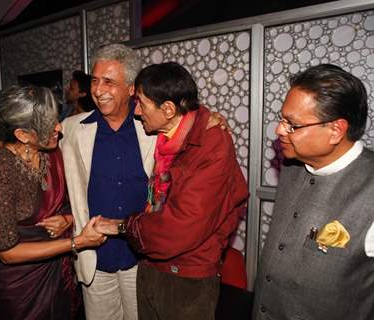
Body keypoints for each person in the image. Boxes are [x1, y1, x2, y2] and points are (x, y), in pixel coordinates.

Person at [94, 62, 249, 320]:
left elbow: (181, 226)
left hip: (185, 278)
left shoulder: (211, 143)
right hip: (152, 265)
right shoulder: (167, 137)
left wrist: (124, 227)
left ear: (167, 109)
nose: (136, 111)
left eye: (142, 103)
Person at [252, 64, 374, 320]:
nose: (279, 130)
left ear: (335, 130)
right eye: (282, 119)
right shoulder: (292, 165)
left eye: (292, 124)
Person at [0, 85, 106, 320]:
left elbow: (73, 199)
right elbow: (8, 252)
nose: (58, 127)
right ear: (22, 135)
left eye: (55, 119)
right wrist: (77, 242)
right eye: (48, 125)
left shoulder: (52, 151)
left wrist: (67, 219)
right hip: (18, 287)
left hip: (58, 274)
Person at [60, 43, 153, 320]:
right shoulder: (71, 129)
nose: (98, 90)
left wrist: (212, 119)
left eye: (109, 82)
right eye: (95, 81)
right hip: (94, 256)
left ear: (131, 88)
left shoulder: (153, 127)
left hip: (142, 257)